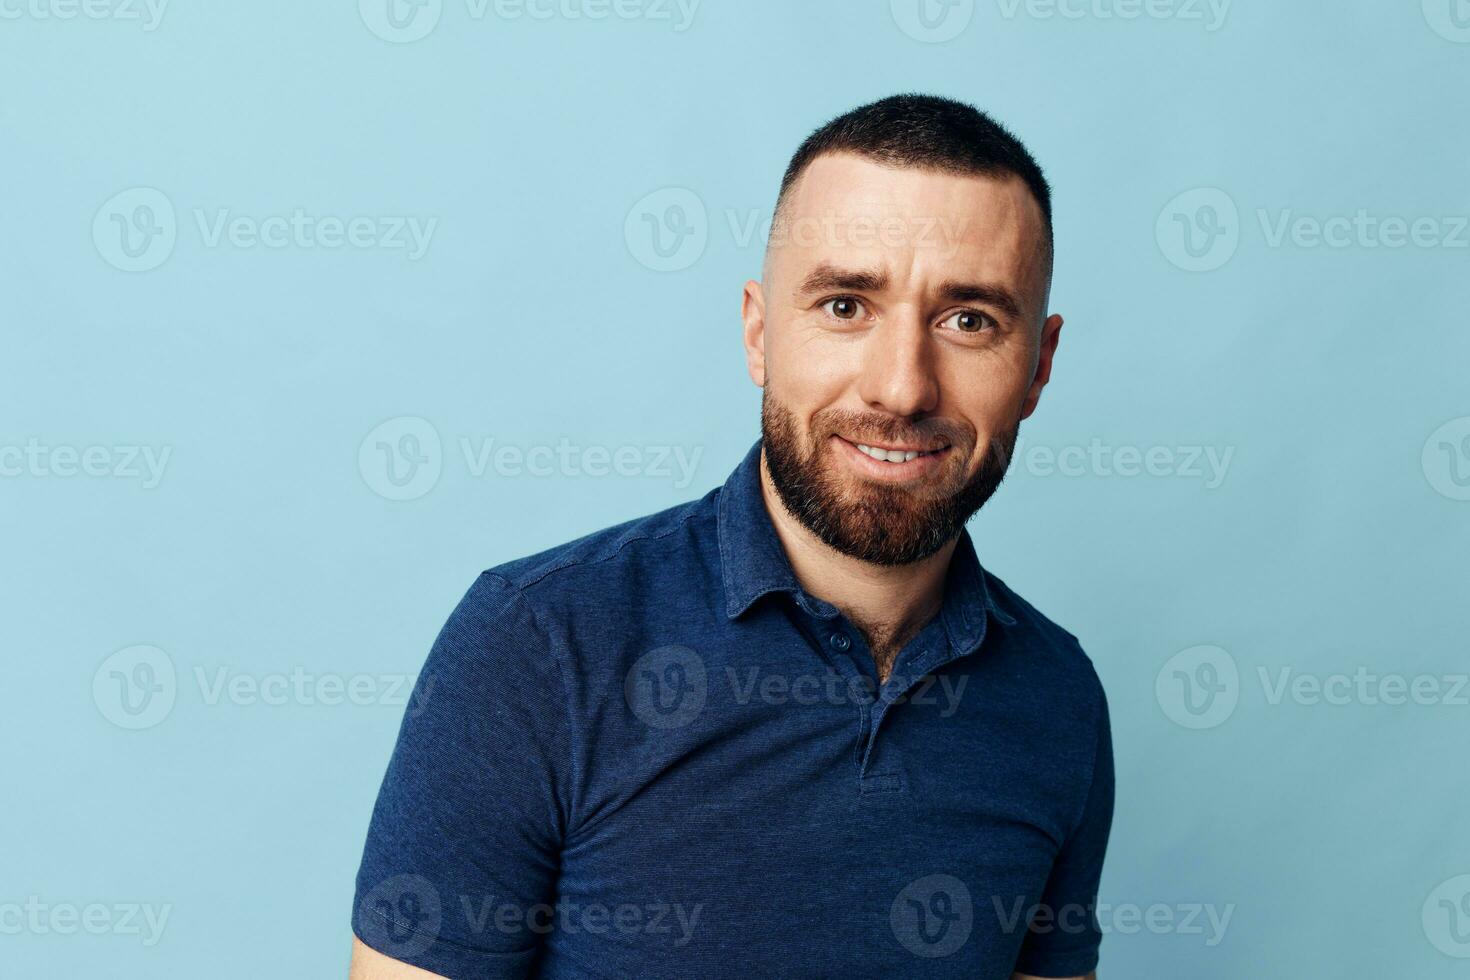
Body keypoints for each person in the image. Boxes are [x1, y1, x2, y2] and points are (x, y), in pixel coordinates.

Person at [349, 92, 1113, 980]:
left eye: (969, 321)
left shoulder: (1059, 699)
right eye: (844, 305)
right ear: (760, 333)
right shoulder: (539, 644)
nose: (902, 388)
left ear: (1038, 368)